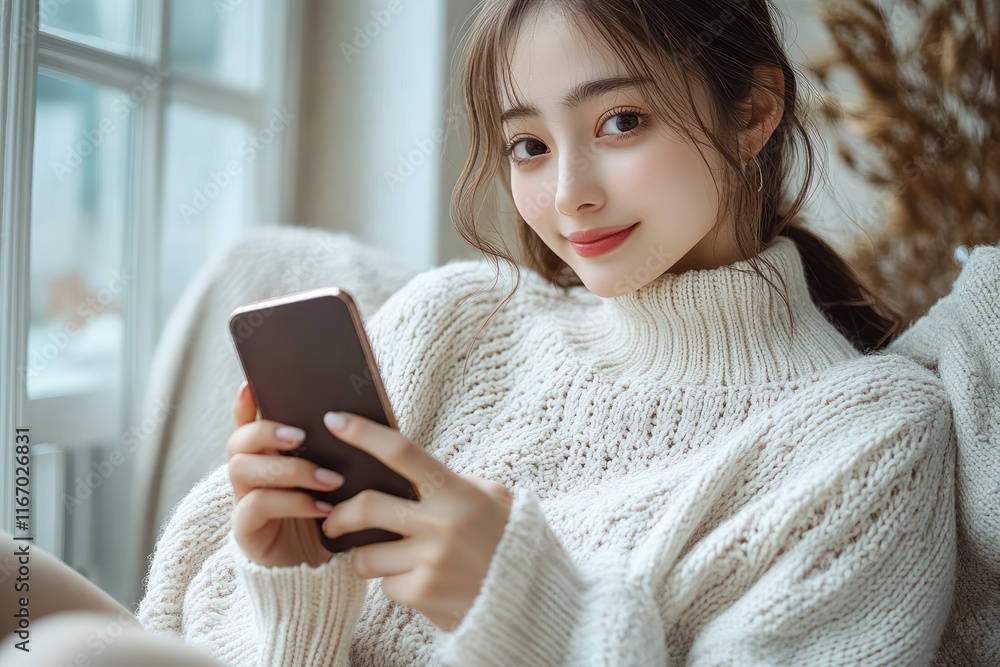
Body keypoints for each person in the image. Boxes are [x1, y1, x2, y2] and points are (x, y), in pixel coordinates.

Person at [3, 0, 990, 665]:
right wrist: (294, 581)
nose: (568, 194)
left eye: (620, 122)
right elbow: (185, 631)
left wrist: (520, 606)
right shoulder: (461, 317)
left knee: (73, 653)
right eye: (528, 144)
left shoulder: (870, 437)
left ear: (754, 112)